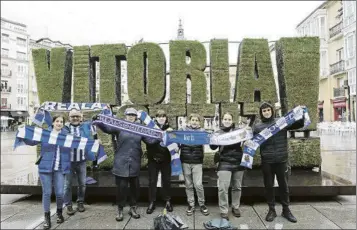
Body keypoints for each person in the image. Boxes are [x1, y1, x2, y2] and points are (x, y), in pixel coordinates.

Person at [93, 107, 157, 221]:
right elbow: (107, 128)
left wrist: (161, 137)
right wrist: (98, 122)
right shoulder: (119, 127)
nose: (131, 117)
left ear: (135, 117)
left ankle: (133, 208)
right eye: (129, 115)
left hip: (135, 163)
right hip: (121, 162)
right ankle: (120, 209)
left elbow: (150, 140)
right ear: (125, 116)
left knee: (134, 188)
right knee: (121, 188)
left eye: (133, 115)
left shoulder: (140, 129)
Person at [254, 102, 305, 223]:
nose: (266, 112)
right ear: (261, 113)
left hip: (282, 160)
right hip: (267, 161)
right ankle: (271, 210)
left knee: (284, 186)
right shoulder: (257, 127)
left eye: (268, 110)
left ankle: (286, 210)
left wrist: (301, 113)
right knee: (269, 186)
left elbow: (298, 124)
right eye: (264, 111)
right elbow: (252, 141)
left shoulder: (281, 122)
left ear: (272, 110)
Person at [23, 115, 71, 229]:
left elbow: (78, 143)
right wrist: (24, 133)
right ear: (53, 123)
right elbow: (31, 141)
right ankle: (47, 218)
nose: (59, 123)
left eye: (61, 121)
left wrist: (93, 142)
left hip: (59, 168)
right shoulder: (44, 133)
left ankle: (59, 213)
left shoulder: (66, 135)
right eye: (57, 121)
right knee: (47, 193)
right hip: (45, 168)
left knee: (60, 193)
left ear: (63, 124)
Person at [210, 112, 247, 220]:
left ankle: (235, 207)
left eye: (229, 119)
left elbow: (247, 139)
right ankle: (224, 210)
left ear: (232, 121)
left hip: (238, 161)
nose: (227, 121)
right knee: (223, 188)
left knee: (237, 186)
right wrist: (212, 140)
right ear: (222, 120)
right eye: (225, 119)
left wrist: (247, 133)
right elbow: (212, 148)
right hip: (224, 162)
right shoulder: (217, 133)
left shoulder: (238, 132)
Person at [63, 109, 98, 215]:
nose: (75, 118)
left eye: (77, 116)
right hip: (68, 162)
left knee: (82, 184)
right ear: (69, 118)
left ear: (81, 118)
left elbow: (95, 126)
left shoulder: (85, 127)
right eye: (73, 116)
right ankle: (68, 205)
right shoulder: (64, 128)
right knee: (67, 185)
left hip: (81, 161)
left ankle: (80, 202)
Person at [179, 113, 209, 216]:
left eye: (197, 120)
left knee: (198, 184)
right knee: (188, 185)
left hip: (197, 162)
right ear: (189, 121)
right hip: (185, 161)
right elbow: (176, 142)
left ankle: (202, 204)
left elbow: (209, 142)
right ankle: (191, 204)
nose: (194, 122)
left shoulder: (202, 132)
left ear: (199, 122)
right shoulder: (182, 131)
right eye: (193, 120)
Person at [145, 109, 173, 214]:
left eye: (163, 116)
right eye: (159, 116)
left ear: (166, 118)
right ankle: (152, 202)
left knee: (166, 181)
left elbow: (174, 145)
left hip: (166, 160)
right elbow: (148, 142)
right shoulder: (150, 129)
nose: (161, 118)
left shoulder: (170, 130)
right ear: (156, 118)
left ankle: (167, 201)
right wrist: (160, 135)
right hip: (153, 159)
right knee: (152, 181)